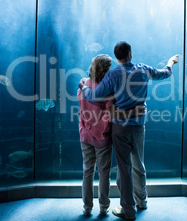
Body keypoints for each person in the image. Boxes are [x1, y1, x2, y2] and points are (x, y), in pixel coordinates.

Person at [79, 41, 179, 220]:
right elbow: (165, 73)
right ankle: (142, 201)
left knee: (124, 168)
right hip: (139, 126)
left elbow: (93, 95)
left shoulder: (112, 75)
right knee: (139, 163)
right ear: (130, 53)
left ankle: (128, 208)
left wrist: (82, 86)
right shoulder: (143, 69)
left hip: (119, 128)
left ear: (117, 56)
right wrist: (171, 62)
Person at [77, 54, 114, 217]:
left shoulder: (84, 83)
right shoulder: (107, 88)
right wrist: (105, 129)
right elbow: (110, 113)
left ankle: (87, 207)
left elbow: (81, 103)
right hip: (102, 137)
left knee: (87, 171)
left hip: (85, 134)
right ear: (106, 70)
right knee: (104, 172)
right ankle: (103, 206)